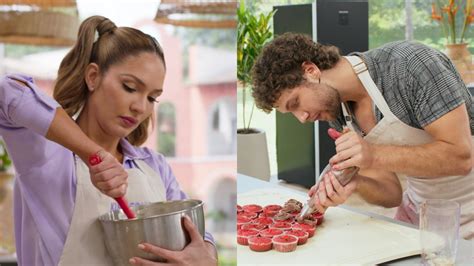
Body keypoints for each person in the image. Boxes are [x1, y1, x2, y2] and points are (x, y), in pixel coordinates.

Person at [0, 16, 217, 265]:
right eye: (129, 87)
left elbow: (195, 232)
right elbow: (6, 92)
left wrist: (208, 254)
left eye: (152, 98)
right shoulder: (46, 154)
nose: (140, 107)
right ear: (93, 77)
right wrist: (94, 155)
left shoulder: (154, 166)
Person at [251, 32, 473, 239]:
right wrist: (355, 182)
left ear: (310, 70)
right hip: (420, 216)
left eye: (296, 103)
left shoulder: (410, 65)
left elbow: (461, 157)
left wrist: (373, 154)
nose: (302, 118)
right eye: (292, 113)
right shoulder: (338, 111)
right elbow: (392, 193)